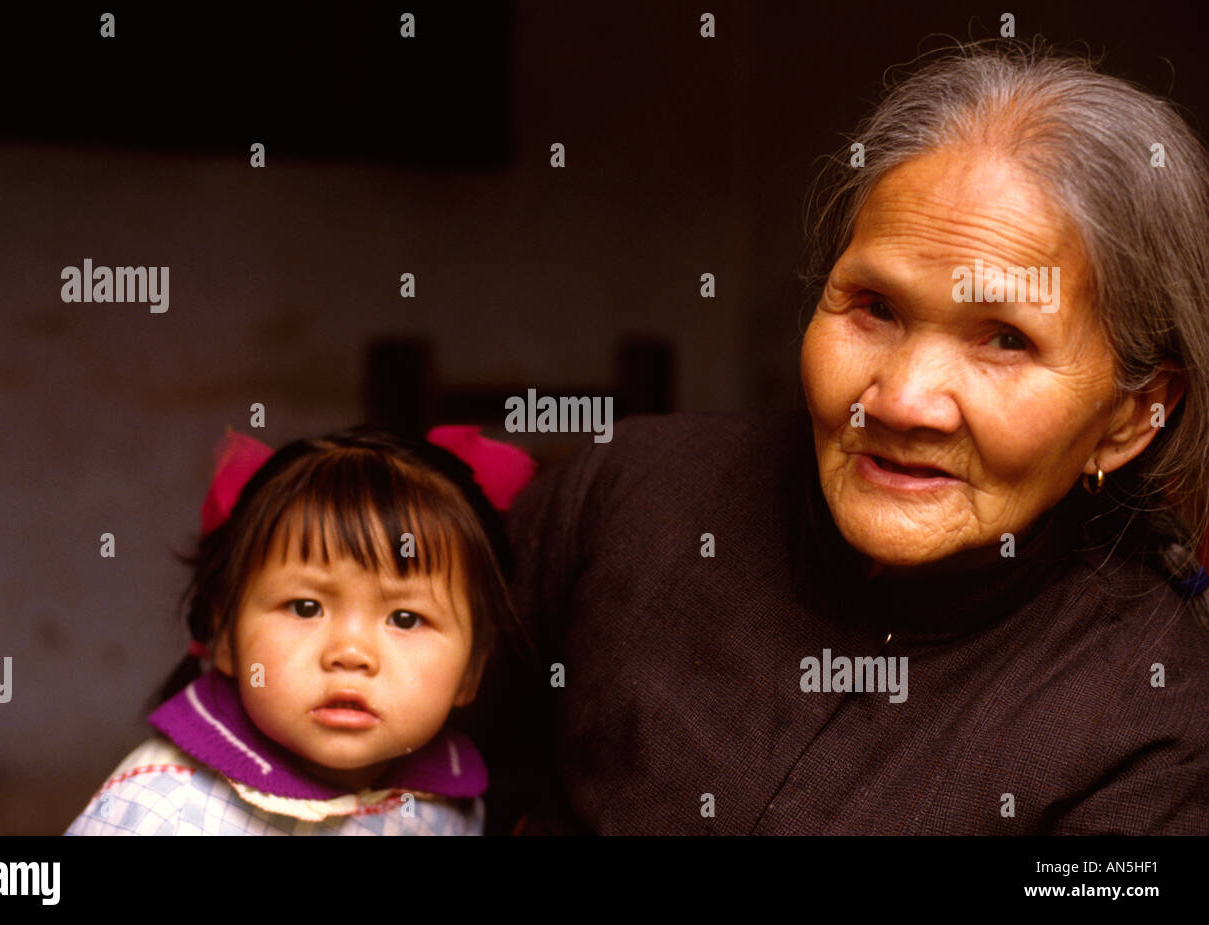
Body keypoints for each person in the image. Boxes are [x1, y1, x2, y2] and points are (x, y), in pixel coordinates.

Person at [491, 38, 1209, 835]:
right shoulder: (631, 494)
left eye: (1006, 339)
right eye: (874, 307)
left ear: (1132, 414)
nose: (902, 401)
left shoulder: (1157, 730)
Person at [66, 424, 534, 835]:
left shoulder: (449, 802)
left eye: (405, 619)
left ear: (473, 668)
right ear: (225, 634)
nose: (350, 652)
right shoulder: (161, 811)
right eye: (306, 607)